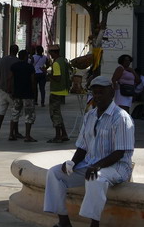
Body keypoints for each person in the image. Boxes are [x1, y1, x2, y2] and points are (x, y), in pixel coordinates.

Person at [43, 75, 135, 227]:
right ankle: (64, 222)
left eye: (101, 92)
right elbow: (82, 146)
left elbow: (120, 152)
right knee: (54, 173)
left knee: (95, 178)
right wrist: (72, 163)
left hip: (117, 167)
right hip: (91, 164)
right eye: (94, 93)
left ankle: (94, 224)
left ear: (111, 93)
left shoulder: (121, 118)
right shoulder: (90, 116)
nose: (97, 96)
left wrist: (97, 166)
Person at [8, 48, 38, 142]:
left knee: (15, 114)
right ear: (25, 57)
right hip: (27, 94)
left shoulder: (14, 66)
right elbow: (33, 81)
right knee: (29, 115)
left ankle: (11, 134)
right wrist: (34, 92)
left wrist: (11, 91)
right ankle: (27, 136)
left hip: (17, 93)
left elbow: (11, 79)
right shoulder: (30, 67)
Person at [0, 44, 19, 139]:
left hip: (2, 89)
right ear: (16, 51)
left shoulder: (2, 60)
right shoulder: (17, 61)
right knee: (15, 112)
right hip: (12, 91)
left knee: (1, 111)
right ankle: (13, 132)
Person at [48, 49, 70, 143]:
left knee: (54, 114)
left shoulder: (56, 63)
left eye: (51, 53)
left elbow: (57, 77)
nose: (51, 56)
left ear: (55, 53)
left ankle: (58, 136)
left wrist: (49, 74)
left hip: (56, 90)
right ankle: (64, 134)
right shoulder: (63, 60)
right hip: (63, 89)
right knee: (58, 113)